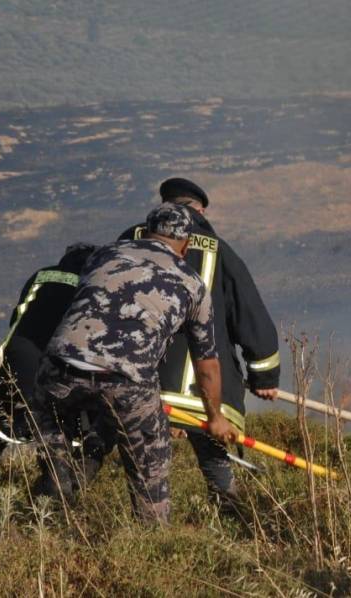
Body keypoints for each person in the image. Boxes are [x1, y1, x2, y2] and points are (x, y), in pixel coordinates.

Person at [31, 204, 235, 523]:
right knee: (149, 469)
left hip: (58, 368)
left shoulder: (104, 255)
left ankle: (48, 510)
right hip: (127, 381)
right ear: (186, 244)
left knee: (54, 457)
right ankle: (151, 538)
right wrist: (215, 418)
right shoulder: (192, 283)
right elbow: (207, 363)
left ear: (146, 231)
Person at [118, 178, 279, 510]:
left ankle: (144, 527)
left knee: (142, 458)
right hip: (205, 388)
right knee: (213, 455)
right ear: (200, 211)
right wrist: (264, 377)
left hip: (140, 380)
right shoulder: (221, 251)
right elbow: (250, 316)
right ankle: (229, 511)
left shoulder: (129, 240)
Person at [0, 243, 100, 485]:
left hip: (19, 357)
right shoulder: (94, 284)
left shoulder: (42, 276)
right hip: (65, 366)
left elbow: (18, 316)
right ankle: (60, 491)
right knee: (63, 429)